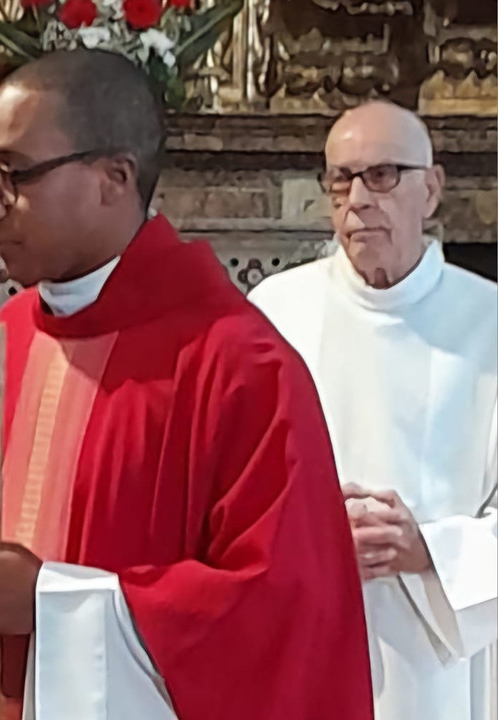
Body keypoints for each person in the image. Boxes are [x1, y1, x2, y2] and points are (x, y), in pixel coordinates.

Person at [0, 49, 374, 720]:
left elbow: (281, 612)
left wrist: (53, 601)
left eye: (14, 174)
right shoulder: (2, 349)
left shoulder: (239, 366)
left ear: (113, 178)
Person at [250, 101, 497, 720]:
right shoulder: (273, 314)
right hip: (303, 627)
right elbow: (227, 485)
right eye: (341, 178)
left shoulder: (490, 322)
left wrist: (430, 550)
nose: (358, 198)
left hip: (444, 653)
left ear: (431, 190)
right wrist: (312, 534)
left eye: (383, 175)